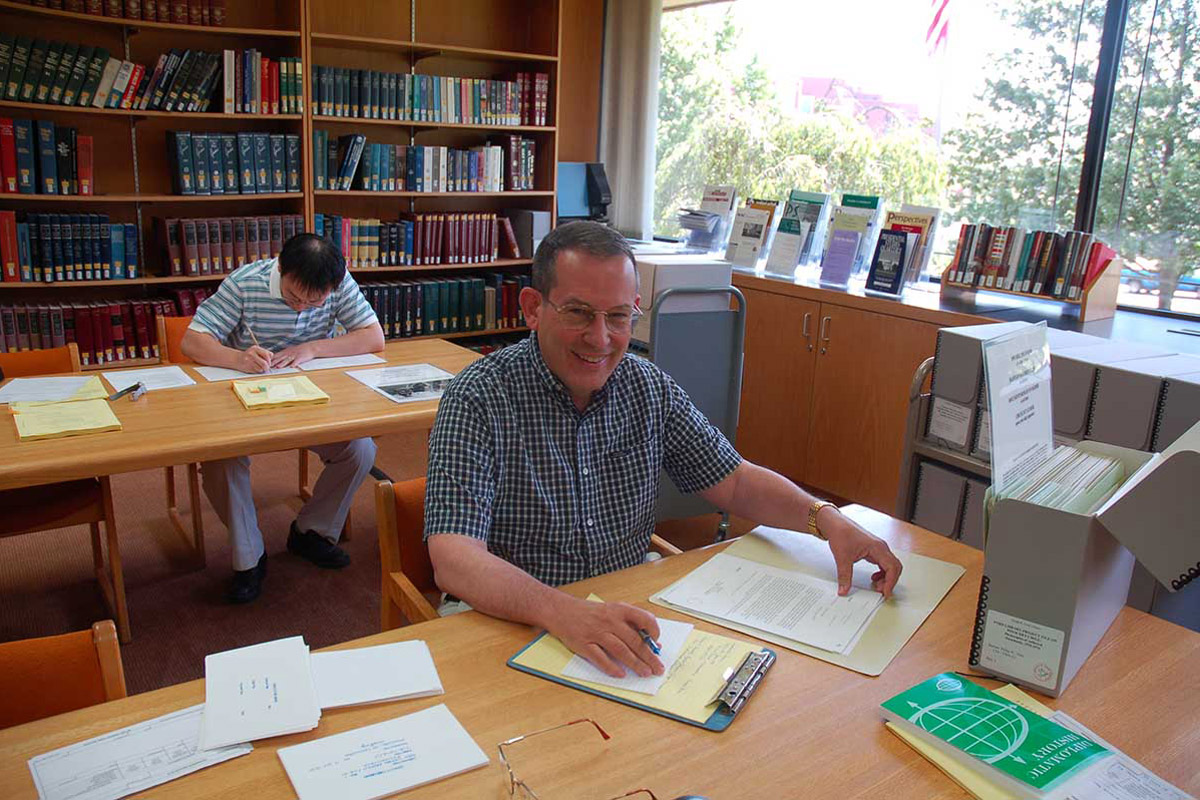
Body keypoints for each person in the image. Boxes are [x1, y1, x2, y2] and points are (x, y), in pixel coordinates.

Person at [424, 221, 903, 679]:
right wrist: (561, 611)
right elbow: (454, 557)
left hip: (625, 614)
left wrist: (827, 519)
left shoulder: (648, 387)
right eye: (577, 312)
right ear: (532, 308)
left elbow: (734, 482)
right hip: (511, 620)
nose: (600, 337)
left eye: (617, 316)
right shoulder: (479, 397)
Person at [181, 233, 385, 603]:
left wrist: (312, 348)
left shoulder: (337, 283)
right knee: (221, 458)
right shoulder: (245, 283)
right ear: (280, 267)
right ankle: (249, 556)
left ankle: (311, 532)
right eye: (293, 297)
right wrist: (236, 358)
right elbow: (193, 342)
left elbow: (373, 337)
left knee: (360, 450)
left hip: (311, 401)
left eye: (314, 302)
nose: (301, 308)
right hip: (244, 399)